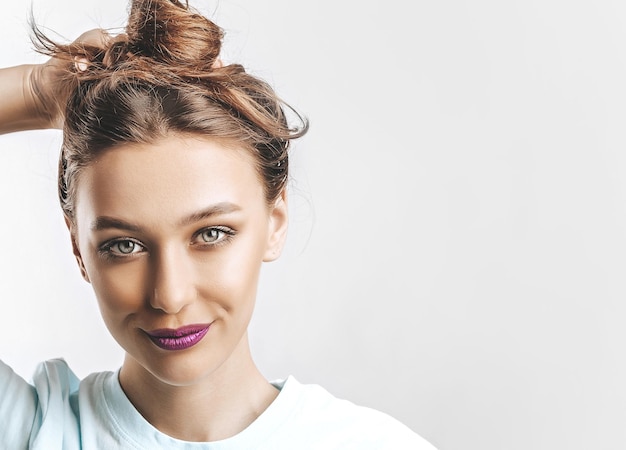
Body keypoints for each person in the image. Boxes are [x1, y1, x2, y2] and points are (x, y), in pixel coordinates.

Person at [0, 0, 437, 448]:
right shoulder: (31, 432)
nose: (170, 296)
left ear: (276, 222)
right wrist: (35, 92)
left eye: (211, 234)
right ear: (79, 248)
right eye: (124, 245)